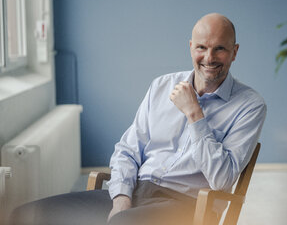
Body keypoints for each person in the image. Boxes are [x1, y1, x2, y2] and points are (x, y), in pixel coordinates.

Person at [9, 13, 266, 225]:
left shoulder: (250, 106)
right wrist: (121, 199)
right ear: (191, 47)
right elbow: (128, 151)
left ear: (234, 52)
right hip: (132, 193)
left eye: (219, 49)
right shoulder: (161, 86)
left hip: (186, 207)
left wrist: (194, 115)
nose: (209, 58)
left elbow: (222, 180)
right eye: (202, 47)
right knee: (24, 216)